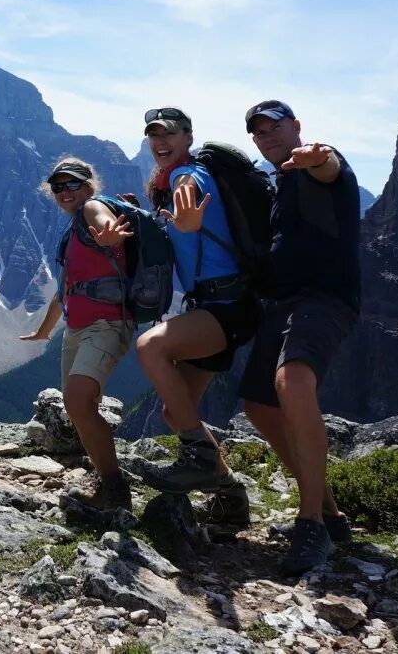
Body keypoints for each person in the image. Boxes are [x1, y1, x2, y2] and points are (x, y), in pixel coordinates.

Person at [239, 99, 360, 575]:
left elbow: (327, 166)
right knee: (259, 405)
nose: (266, 137)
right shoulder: (281, 182)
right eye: (258, 133)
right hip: (285, 305)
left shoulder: (318, 164)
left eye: (274, 127)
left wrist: (318, 157)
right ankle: (330, 514)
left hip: (325, 300)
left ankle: (310, 523)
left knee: (293, 383)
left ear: (296, 127)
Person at [133, 108, 260, 515]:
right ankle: (230, 493)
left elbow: (189, 195)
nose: (159, 142)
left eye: (168, 134)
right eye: (153, 135)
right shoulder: (169, 182)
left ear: (187, 138)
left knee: (150, 347)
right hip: (215, 306)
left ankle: (199, 458)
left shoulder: (189, 176)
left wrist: (186, 219)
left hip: (227, 306)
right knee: (176, 410)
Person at [20, 157, 138, 512]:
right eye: (58, 186)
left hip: (107, 324)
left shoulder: (92, 209)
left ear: (89, 185)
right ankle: (104, 478)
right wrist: (43, 331)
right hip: (77, 328)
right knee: (78, 407)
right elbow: (65, 289)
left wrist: (108, 232)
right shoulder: (73, 232)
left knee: (77, 401)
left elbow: (101, 218)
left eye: (73, 184)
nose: (65, 191)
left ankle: (116, 491)